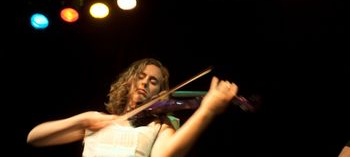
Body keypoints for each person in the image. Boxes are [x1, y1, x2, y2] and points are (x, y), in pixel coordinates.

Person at [27, 57, 238, 157]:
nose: (145, 83)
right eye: (141, 77)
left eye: (153, 81)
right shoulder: (95, 121)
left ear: (160, 92)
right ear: (129, 82)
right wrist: (82, 120)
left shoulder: (159, 126)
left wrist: (207, 110)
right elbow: (35, 138)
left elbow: (166, 155)